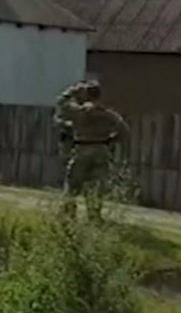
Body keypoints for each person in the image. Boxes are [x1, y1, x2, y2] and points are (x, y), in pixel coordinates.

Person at [55, 79, 130, 222]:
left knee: (72, 184)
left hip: (82, 148)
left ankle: (69, 214)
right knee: (96, 185)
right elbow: (124, 131)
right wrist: (110, 140)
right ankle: (94, 216)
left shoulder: (79, 112)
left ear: (85, 95)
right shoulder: (108, 114)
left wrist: (73, 90)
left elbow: (61, 102)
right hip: (101, 149)